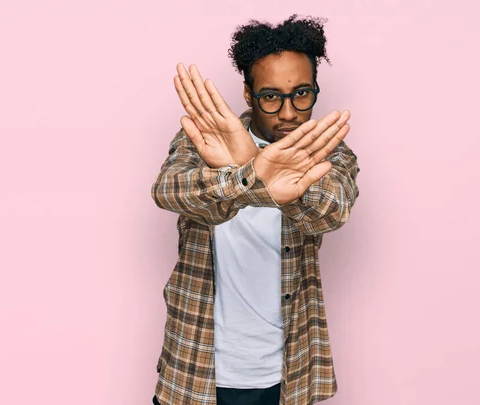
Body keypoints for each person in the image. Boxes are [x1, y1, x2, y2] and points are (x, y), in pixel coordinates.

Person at [151, 15, 360, 405]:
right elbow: (168, 190)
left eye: (301, 93)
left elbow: (333, 210)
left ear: (315, 89)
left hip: (287, 373)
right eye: (270, 96)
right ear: (248, 94)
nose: (287, 113)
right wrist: (246, 174)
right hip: (195, 369)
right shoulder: (205, 139)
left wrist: (282, 185)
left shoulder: (330, 152)